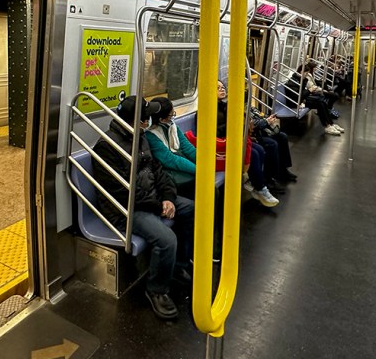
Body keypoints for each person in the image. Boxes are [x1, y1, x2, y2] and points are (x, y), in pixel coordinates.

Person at [92, 96, 194, 320]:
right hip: (125, 211)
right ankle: (156, 290)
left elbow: (157, 171)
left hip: (151, 199)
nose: (149, 121)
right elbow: (121, 194)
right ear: (138, 120)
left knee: (189, 209)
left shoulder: (140, 138)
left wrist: (167, 196)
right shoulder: (107, 148)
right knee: (167, 240)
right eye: (146, 117)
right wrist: (159, 206)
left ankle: (178, 265)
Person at [216, 80, 279, 207]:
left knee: (260, 150)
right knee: (254, 154)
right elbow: (214, 132)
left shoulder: (225, 106)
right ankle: (260, 187)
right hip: (220, 146)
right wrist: (231, 126)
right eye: (218, 88)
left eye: (223, 87)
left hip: (233, 140)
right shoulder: (205, 112)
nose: (222, 90)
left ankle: (255, 182)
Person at [146, 97, 197, 199]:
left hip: (182, 167)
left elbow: (187, 148)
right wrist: (198, 170)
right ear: (161, 119)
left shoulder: (172, 126)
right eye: (171, 114)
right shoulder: (150, 135)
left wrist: (206, 164)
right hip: (169, 174)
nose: (173, 116)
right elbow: (170, 160)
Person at [287, 61, 344, 135]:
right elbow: (297, 96)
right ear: (301, 72)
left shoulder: (300, 79)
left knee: (321, 102)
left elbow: (302, 93)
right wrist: (309, 90)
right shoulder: (293, 82)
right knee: (320, 102)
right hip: (295, 102)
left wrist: (308, 90)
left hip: (302, 100)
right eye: (306, 73)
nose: (307, 75)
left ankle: (331, 124)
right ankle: (328, 126)